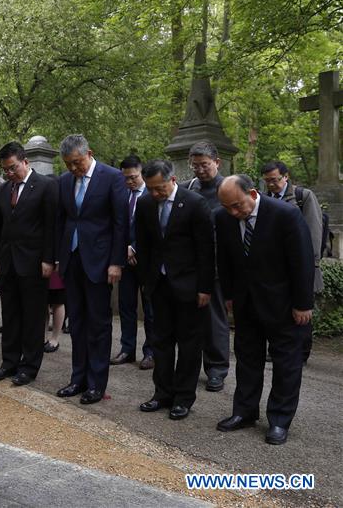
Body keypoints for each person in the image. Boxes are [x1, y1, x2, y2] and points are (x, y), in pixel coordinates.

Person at [214, 175, 314, 445]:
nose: (234, 213)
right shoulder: (223, 218)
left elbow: (302, 261)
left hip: (284, 304)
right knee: (247, 359)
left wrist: (303, 304)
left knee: (286, 364)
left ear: (253, 193)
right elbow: (225, 259)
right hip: (246, 303)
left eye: (237, 206)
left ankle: (280, 420)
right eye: (227, 207)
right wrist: (230, 295)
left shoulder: (285, 215)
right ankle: (244, 412)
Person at [134, 160, 214, 421]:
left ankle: (183, 397)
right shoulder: (145, 204)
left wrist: (205, 287)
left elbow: (206, 249)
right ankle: (162, 393)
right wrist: (146, 280)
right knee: (161, 341)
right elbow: (144, 245)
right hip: (159, 284)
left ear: (173, 180)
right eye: (151, 189)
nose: (155, 194)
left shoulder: (195, 203)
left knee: (189, 344)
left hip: (190, 286)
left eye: (160, 188)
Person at [55, 134, 127, 405]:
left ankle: (97, 384)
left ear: (89, 153)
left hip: (100, 262)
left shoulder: (111, 177)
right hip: (72, 261)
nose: (74, 169)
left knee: (98, 324)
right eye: (68, 164)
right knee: (77, 323)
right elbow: (61, 222)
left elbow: (120, 222)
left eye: (77, 163)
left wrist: (116, 261)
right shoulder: (64, 182)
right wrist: (58, 257)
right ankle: (78, 379)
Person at [0, 143, 58, 386]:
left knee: (32, 316)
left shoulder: (46, 186)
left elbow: (51, 226)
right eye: (5, 170)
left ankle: (29, 366)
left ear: (24, 161)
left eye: (13, 168)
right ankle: (8, 362)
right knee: (10, 315)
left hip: (34, 262)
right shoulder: (3, 190)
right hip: (8, 262)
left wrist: (49, 259)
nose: (9, 173)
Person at [185, 141, 230, 392]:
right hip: (190, 264)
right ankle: (190, 366)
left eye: (205, 165)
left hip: (216, 265)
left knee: (214, 319)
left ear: (217, 163)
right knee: (190, 319)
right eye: (195, 165)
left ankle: (217, 369)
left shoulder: (228, 189)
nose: (200, 170)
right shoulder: (188, 188)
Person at [112, 155, 156, 370]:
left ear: (142, 173)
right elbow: (115, 225)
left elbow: (156, 227)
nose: (130, 181)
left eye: (134, 177)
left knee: (150, 309)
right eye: (126, 178)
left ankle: (151, 352)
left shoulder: (153, 194)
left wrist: (135, 247)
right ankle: (127, 349)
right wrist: (123, 249)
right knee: (126, 306)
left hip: (146, 260)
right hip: (125, 260)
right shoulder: (121, 196)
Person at [260, 160, 324, 294]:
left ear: (286, 176)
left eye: (274, 180)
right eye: (267, 181)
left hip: (299, 261)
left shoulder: (303, 196)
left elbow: (314, 230)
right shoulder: (263, 199)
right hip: (273, 268)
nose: (271, 184)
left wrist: (312, 263)